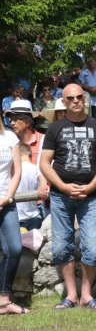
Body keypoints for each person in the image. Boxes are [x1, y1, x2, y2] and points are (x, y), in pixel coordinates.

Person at [40, 84, 96, 309]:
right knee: (61, 247)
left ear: (85, 98)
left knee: (90, 246)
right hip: (61, 197)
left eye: (79, 97)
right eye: (70, 98)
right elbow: (44, 163)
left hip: (90, 197)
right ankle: (71, 295)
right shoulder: (55, 129)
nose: (76, 101)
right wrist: (63, 186)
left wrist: (90, 186)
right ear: (64, 101)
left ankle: (86, 295)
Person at [0, 117, 29, 315]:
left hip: (6, 201)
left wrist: (7, 197)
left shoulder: (9, 137)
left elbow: (17, 171)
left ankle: (3, 301)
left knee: (14, 249)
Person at [16, 143, 49, 230]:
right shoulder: (37, 170)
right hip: (34, 216)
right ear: (31, 155)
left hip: (17, 218)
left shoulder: (14, 170)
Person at [6, 100, 44, 165]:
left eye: (16, 119)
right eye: (11, 119)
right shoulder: (9, 142)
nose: (12, 123)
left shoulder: (44, 141)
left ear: (27, 122)